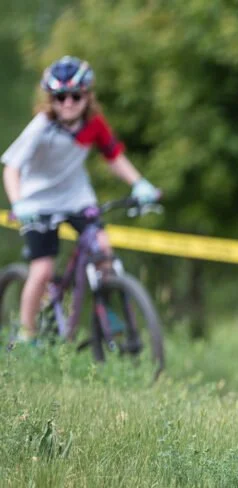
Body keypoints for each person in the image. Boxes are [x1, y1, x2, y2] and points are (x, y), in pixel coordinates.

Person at [2, 56, 161, 342]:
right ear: (51, 99)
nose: (68, 103)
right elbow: (12, 168)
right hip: (37, 202)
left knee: (103, 250)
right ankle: (27, 335)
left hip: (76, 198)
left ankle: (106, 307)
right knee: (42, 270)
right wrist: (19, 203)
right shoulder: (42, 126)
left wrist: (139, 184)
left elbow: (113, 156)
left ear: (87, 96)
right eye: (60, 97)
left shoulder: (94, 125)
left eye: (76, 96)